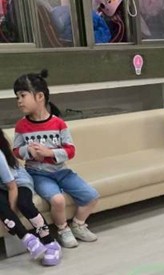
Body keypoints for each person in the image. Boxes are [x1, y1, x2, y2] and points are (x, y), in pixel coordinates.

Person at [12, 70, 99, 249]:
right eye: (17, 97)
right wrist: (28, 151)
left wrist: (49, 153)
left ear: (39, 96)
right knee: (58, 200)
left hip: (62, 171)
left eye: (22, 95)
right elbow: (15, 151)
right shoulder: (21, 125)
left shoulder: (58, 123)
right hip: (38, 174)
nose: (19, 101)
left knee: (91, 196)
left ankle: (78, 225)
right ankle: (63, 230)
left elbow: (70, 151)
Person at [0, 128, 60, 265]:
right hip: (2, 187)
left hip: (18, 182)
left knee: (24, 203)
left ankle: (50, 243)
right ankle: (28, 239)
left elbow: (12, 187)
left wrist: (11, 215)